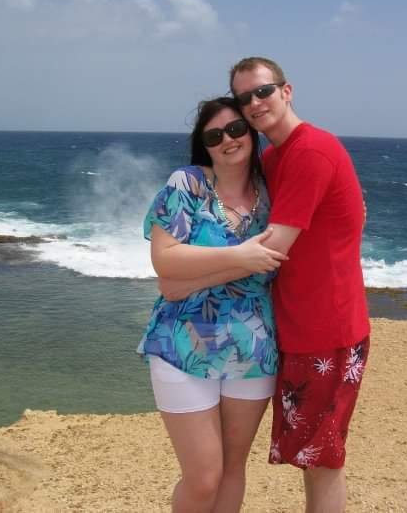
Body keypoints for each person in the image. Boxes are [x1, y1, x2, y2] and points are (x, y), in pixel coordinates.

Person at [162, 57, 371, 512]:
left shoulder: (310, 151)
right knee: (309, 457)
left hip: (326, 329)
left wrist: (181, 284)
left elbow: (267, 253)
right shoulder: (273, 159)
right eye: (245, 98)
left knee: (322, 460)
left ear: (286, 91)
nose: (255, 103)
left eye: (263, 91)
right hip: (291, 328)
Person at [137, 96, 287, 513]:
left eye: (236, 129)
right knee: (203, 478)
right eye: (214, 135)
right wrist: (242, 258)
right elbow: (165, 263)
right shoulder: (188, 184)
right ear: (203, 145)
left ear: (251, 132)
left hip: (253, 347)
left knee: (233, 469)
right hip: (182, 344)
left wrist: (353, 209)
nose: (228, 140)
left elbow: (176, 280)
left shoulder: (272, 192)